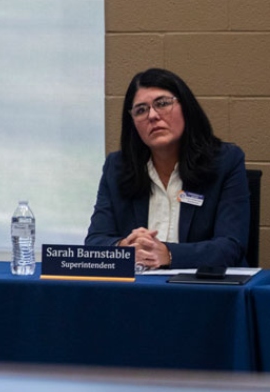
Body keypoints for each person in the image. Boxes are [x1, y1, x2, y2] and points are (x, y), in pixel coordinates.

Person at [85, 67, 249, 269]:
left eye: (162, 104)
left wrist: (169, 254)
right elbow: (95, 241)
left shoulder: (225, 162)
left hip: (203, 291)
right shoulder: (117, 167)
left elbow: (230, 247)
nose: (152, 115)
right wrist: (124, 248)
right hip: (138, 290)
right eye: (141, 110)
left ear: (185, 107)